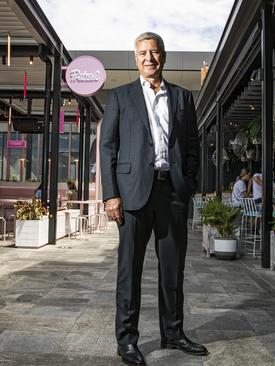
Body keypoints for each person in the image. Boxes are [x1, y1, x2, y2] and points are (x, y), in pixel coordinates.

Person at [99, 32, 207, 366]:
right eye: (143, 53)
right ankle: (127, 341)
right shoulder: (120, 97)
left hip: (172, 192)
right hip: (132, 194)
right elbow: (108, 147)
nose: (149, 58)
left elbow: (192, 143)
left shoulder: (183, 97)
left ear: (164, 56)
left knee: (172, 269)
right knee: (128, 270)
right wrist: (111, 195)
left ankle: (173, 333)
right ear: (136, 58)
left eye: (155, 52)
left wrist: (187, 184)